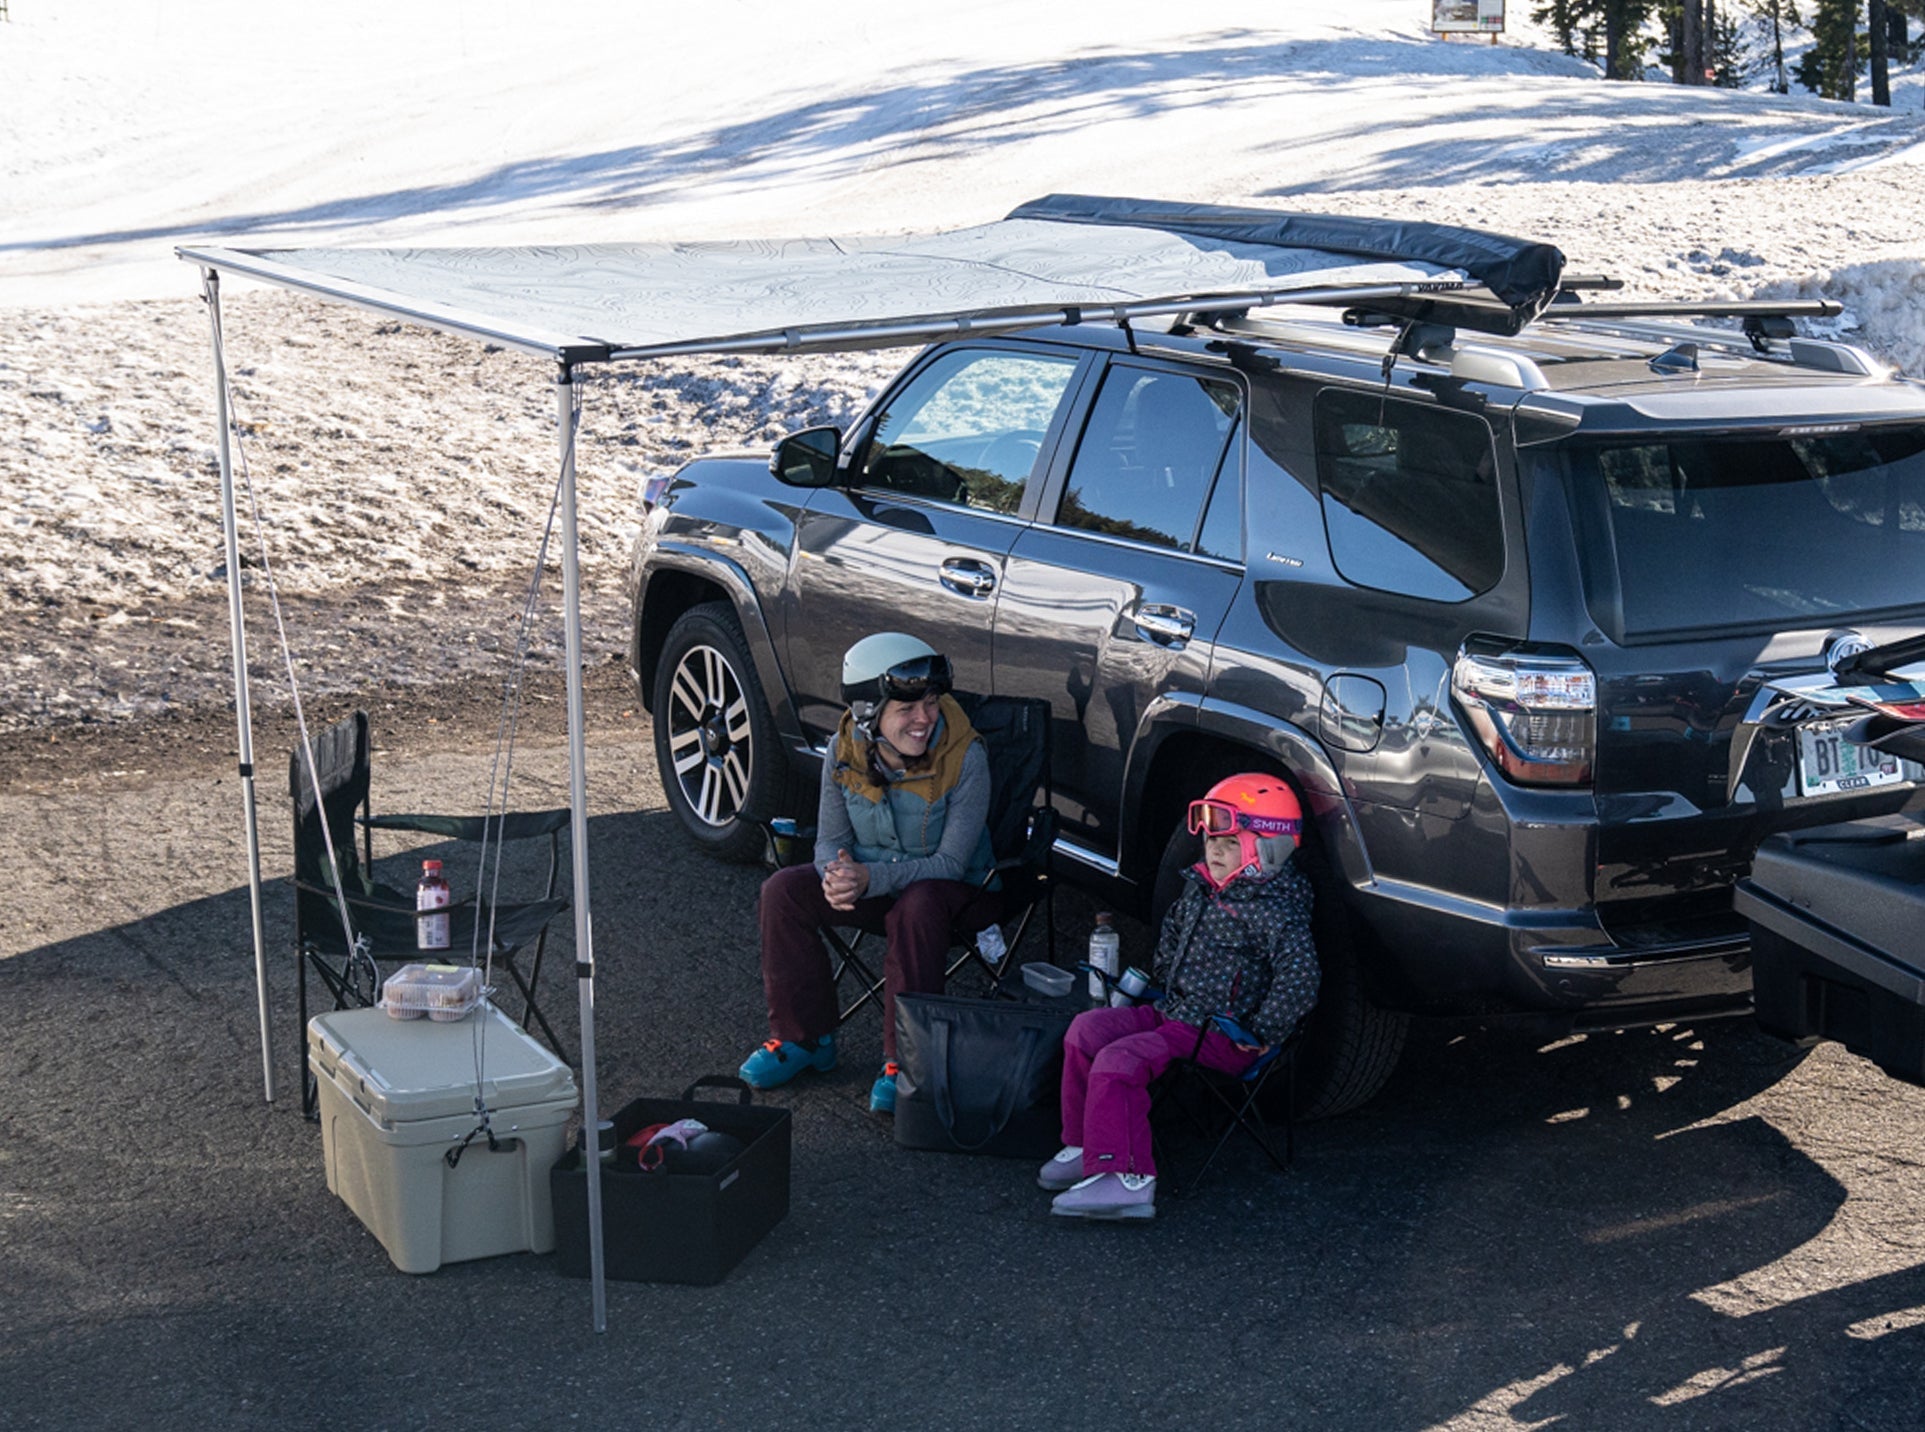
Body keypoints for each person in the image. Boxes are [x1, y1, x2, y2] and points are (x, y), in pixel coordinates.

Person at [740, 632, 1001, 1114]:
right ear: (868, 714)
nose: (925, 718)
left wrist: (868, 879)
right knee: (784, 890)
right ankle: (804, 1039)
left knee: (918, 905)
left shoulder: (967, 756)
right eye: (907, 709)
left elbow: (950, 864)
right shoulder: (843, 751)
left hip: (960, 894)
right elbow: (829, 841)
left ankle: (907, 1062)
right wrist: (835, 875)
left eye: (930, 702)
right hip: (875, 885)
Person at [1041, 773, 1319, 1220]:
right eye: (1210, 841)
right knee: (1086, 1031)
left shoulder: (1276, 912)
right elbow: (1171, 937)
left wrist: (1265, 1031)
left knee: (1120, 1060)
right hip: (1176, 1012)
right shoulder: (1202, 889)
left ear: (1268, 850)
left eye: (1229, 843)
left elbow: (1301, 978)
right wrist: (1164, 976)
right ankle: (1087, 1145)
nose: (1214, 850)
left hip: (1227, 1034)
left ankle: (1127, 1176)